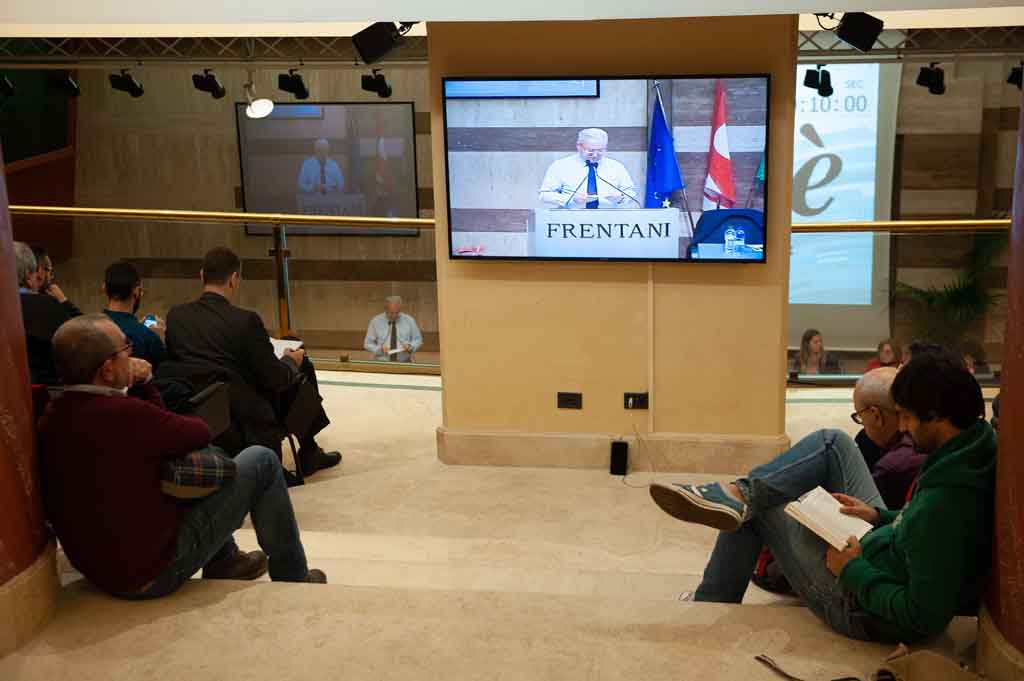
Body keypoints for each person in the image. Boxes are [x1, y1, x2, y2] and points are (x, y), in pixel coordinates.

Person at [649, 355, 995, 644]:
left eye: (906, 416)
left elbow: (922, 618)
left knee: (760, 508)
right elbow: (920, 527)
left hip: (858, 607)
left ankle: (711, 598)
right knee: (833, 443)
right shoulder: (972, 448)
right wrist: (879, 515)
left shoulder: (943, 506)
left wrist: (853, 570)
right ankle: (738, 494)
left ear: (937, 415)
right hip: (883, 545)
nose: (902, 426)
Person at [39, 314, 326, 598]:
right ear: (108, 370)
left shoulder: (51, 416)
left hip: (100, 570)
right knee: (261, 460)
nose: (131, 355)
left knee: (180, 468)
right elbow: (198, 432)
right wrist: (145, 382)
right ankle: (293, 576)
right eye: (125, 348)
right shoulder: (124, 415)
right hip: (150, 573)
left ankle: (226, 559)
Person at [161, 247, 341, 479]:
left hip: (198, 403)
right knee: (301, 365)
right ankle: (309, 450)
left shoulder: (176, 316)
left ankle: (310, 449)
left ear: (202, 275)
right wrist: (290, 360)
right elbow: (276, 378)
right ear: (234, 279)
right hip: (242, 411)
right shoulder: (245, 321)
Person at [15, 242, 82, 384]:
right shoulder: (46, 306)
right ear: (29, 276)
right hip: (42, 391)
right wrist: (64, 302)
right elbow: (84, 341)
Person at [538, 128, 638, 209]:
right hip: (570, 220)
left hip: (610, 220)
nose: (595, 155)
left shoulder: (616, 167)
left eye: (600, 150)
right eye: (590, 150)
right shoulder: (560, 166)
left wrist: (621, 198)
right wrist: (571, 199)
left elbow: (631, 193)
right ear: (579, 146)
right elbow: (545, 195)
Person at [102, 260, 167, 370]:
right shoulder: (148, 337)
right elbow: (163, 372)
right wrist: (161, 341)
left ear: (104, 288)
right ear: (136, 291)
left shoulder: (90, 327)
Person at [364, 295, 423, 362]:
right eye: (391, 313)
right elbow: (367, 344)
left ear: (400, 309)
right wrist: (379, 349)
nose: (394, 316)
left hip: (404, 361)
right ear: (385, 309)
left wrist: (411, 346)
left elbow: (418, 339)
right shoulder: (375, 321)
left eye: (397, 313)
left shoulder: (409, 320)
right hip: (382, 362)